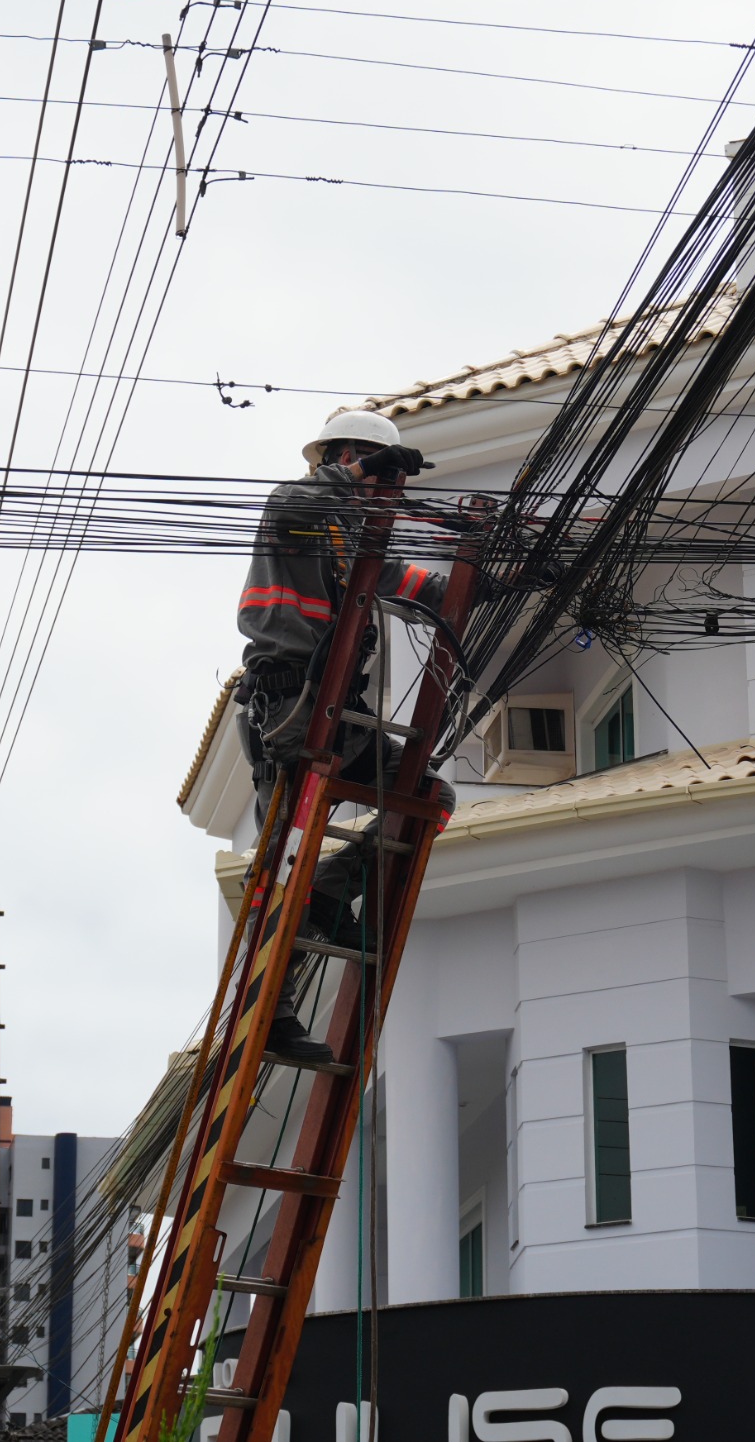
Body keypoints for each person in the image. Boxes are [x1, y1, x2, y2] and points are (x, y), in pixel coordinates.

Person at [235, 410, 457, 1060]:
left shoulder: (352, 540)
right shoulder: (297, 512)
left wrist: (483, 585)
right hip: (291, 703)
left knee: (427, 800)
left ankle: (334, 886)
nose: (380, 485)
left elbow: (406, 584)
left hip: (341, 712)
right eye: (366, 464)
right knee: (282, 858)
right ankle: (270, 1018)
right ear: (338, 458)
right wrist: (360, 473)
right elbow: (297, 498)